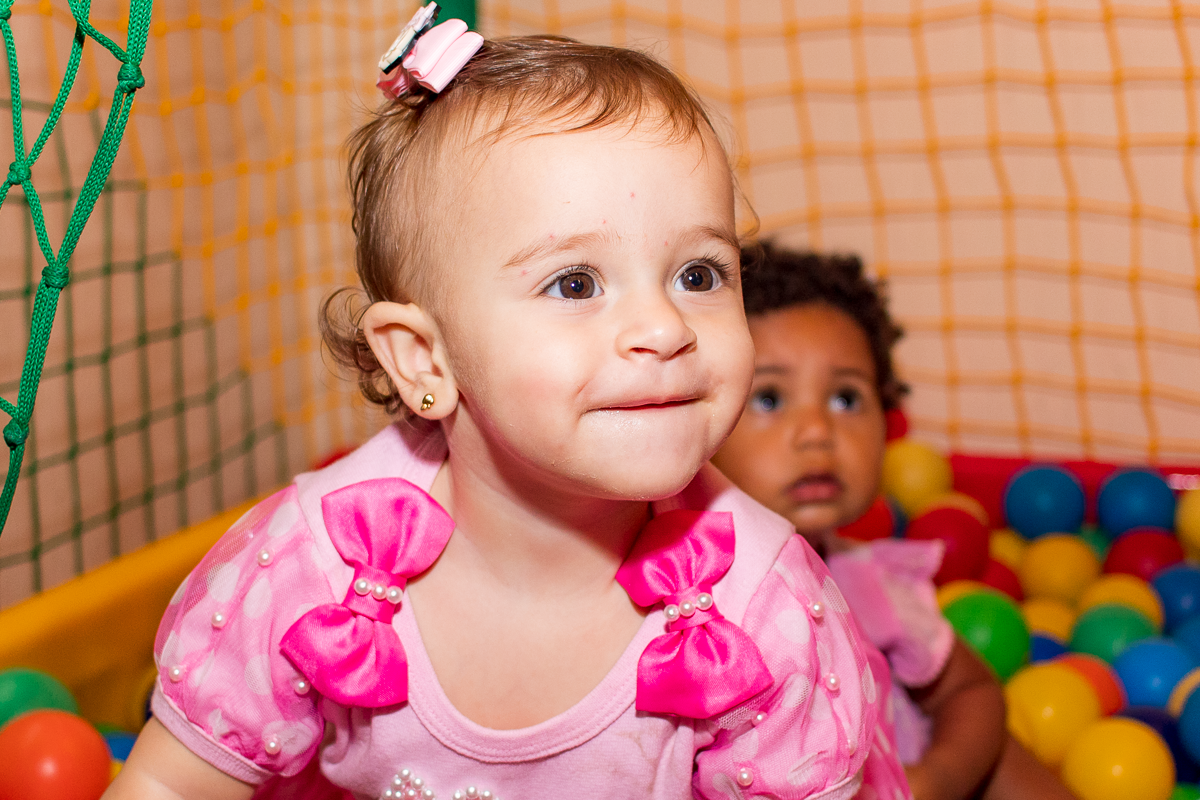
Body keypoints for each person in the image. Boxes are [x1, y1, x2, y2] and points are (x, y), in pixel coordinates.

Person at [103, 10, 909, 799]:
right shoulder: (309, 570)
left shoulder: (762, 612)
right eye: (575, 283)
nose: (665, 328)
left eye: (698, 275)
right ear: (426, 359)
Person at [712, 242, 1077, 800]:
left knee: (1003, 756)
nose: (816, 431)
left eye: (845, 398)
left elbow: (972, 692)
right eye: (768, 398)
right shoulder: (682, 611)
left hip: (902, 777)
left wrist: (936, 779)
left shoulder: (870, 584)